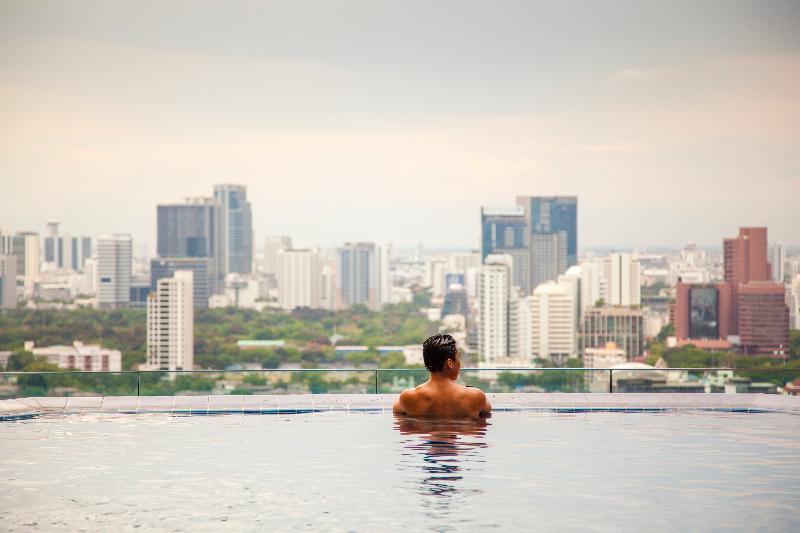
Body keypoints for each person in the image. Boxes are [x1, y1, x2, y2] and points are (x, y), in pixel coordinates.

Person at [393, 334, 491, 418]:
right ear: (450, 363)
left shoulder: (409, 397)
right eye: (458, 357)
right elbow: (487, 409)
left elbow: (396, 410)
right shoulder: (475, 396)